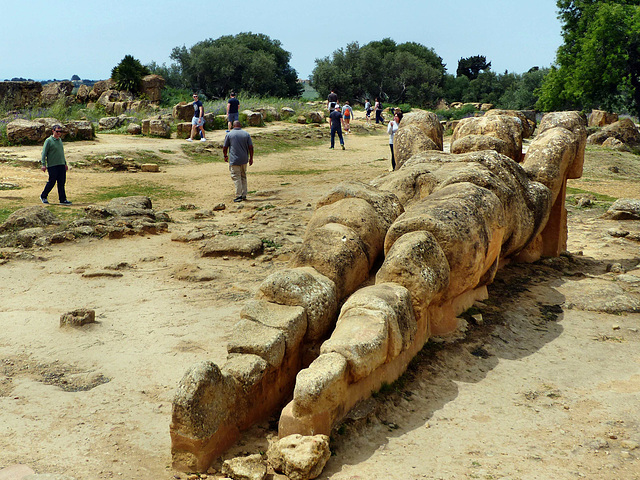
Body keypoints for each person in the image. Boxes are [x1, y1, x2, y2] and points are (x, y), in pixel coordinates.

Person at [223, 120, 254, 202]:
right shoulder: (246, 134)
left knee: (236, 177)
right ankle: (244, 194)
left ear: (233, 126)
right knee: (243, 176)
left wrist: (225, 156)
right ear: (240, 126)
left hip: (234, 160)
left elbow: (225, 147)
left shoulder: (229, 134)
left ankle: (238, 195)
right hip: (244, 159)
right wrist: (251, 158)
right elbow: (250, 147)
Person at [40, 125, 72, 205]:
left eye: (60, 132)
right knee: (52, 182)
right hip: (52, 165)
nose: (59, 133)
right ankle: (43, 196)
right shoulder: (49, 141)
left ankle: (63, 199)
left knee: (61, 182)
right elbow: (44, 153)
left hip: (61, 164)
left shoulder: (60, 141)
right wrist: (43, 164)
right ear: (53, 131)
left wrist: (65, 163)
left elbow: (61, 153)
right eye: (57, 131)